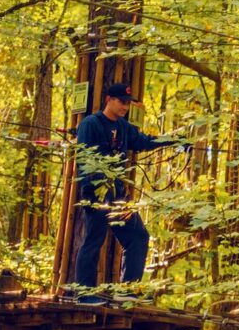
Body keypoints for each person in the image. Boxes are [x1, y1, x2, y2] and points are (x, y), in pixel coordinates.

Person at [73, 83, 177, 305]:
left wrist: (174, 140)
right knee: (93, 239)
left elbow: (144, 141)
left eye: (128, 103)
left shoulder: (124, 127)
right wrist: (93, 188)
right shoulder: (90, 124)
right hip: (97, 194)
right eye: (122, 102)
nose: (125, 107)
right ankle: (83, 293)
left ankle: (128, 290)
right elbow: (82, 159)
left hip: (118, 196)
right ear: (109, 99)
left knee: (138, 236)